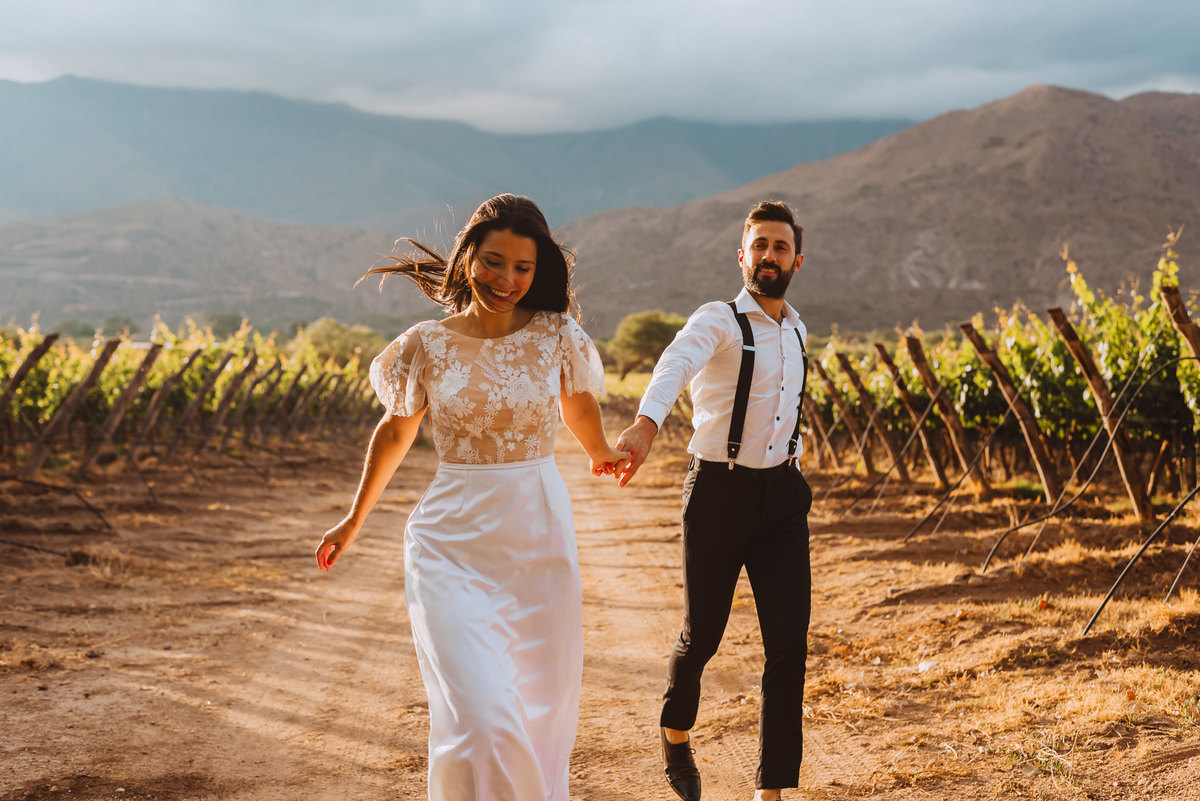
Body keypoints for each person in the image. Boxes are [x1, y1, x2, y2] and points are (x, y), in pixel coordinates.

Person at [315, 193, 629, 801]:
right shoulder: (424, 345)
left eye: (522, 268)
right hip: (448, 541)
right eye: (493, 262)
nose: (506, 279)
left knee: (538, 705)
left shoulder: (557, 335)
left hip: (537, 534)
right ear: (467, 258)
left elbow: (578, 403)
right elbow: (397, 428)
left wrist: (598, 451)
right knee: (480, 711)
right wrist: (353, 520)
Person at [614, 200, 812, 801]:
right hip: (718, 491)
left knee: (789, 647)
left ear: (796, 259)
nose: (769, 256)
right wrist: (647, 424)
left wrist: (793, 467)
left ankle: (772, 789)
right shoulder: (719, 319)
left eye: (780, 247)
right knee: (703, 634)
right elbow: (676, 362)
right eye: (759, 246)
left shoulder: (799, 329)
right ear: (742, 255)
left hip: (781, 499)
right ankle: (675, 732)